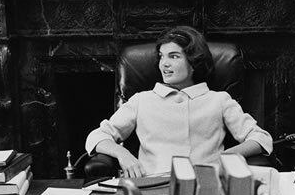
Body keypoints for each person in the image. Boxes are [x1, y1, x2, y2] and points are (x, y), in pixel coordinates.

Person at [85, 26, 273, 177]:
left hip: (207, 185)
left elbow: (261, 138)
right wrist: (123, 155)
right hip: (152, 185)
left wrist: (229, 155)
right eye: (161, 56)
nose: (163, 64)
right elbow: (97, 137)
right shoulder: (142, 100)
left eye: (173, 56)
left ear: (194, 62)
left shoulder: (219, 100)